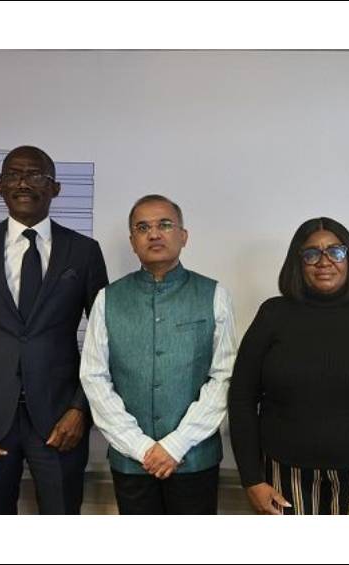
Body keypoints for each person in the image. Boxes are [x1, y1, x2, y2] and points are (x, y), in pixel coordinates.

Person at [229, 217, 349, 515]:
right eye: (311, 253)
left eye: (335, 251)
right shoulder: (272, 315)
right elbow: (241, 398)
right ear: (298, 262)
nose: (324, 261)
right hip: (283, 474)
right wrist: (251, 478)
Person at [0, 145, 109, 514]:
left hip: (61, 419)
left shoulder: (84, 252)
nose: (23, 183)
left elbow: (105, 340)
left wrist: (80, 410)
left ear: (55, 188)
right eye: (13, 175)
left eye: (35, 175)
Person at [80, 194, 236, 514]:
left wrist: (176, 444)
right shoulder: (108, 298)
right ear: (132, 241)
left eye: (165, 225)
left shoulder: (214, 294)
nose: (154, 234)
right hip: (131, 460)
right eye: (143, 227)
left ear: (183, 236)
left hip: (195, 459)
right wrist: (139, 446)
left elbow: (225, 376)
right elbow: (94, 377)